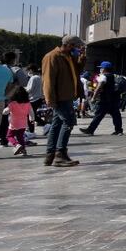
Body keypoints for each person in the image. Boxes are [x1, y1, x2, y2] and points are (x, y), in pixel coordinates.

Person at [42, 35, 86, 167]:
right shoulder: (52, 56)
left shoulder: (68, 57)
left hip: (67, 96)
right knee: (69, 122)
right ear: (69, 45)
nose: (77, 49)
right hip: (60, 97)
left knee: (57, 124)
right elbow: (48, 79)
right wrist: (49, 98)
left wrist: (82, 57)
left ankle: (50, 154)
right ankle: (60, 154)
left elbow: (77, 71)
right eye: (76, 47)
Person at [79, 61, 124, 136]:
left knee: (98, 115)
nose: (100, 69)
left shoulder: (103, 76)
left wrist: (93, 97)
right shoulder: (114, 76)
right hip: (114, 99)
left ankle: (90, 130)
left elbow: (99, 87)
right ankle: (119, 130)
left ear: (104, 69)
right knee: (116, 115)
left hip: (104, 99)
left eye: (101, 68)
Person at [5, 85, 33, 156]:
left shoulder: (12, 103)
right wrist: (32, 118)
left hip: (14, 123)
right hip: (23, 123)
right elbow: (31, 112)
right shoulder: (27, 103)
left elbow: (6, 111)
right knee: (20, 137)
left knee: (9, 136)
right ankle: (23, 151)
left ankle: (16, 145)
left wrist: (2, 111)